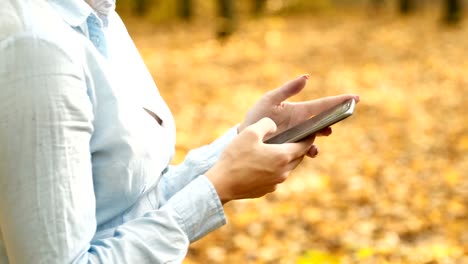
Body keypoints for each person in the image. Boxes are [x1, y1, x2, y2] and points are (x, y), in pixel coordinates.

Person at [0, 0, 359, 263]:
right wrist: (217, 189)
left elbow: (127, 205)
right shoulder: (36, 45)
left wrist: (240, 143)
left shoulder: (101, 16)